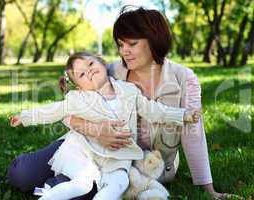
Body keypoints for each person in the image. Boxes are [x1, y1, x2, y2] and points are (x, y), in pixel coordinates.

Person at [61, 6, 240, 200]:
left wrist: (209, 190)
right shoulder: (111, 72)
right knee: (26, 174)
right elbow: (69, 112)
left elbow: (193, 134)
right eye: (121, 45)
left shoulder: (184, 78)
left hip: (147, 169)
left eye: (132, 44)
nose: (124, 51)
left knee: (77, 191)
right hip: (98, 155)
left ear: (154, 40)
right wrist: (94, 127)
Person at [9, 52, 200, 200]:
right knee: (84, 183)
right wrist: (24, 117)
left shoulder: (129, 91)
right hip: (83, 152)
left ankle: (59, 186)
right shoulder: (78, 98)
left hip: (117, 157)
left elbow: (155, 110)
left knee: (119, 182)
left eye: (91, 64)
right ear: (79, 86)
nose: (89, 70)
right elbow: (52, 110)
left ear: (101, 62)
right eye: (82, 74)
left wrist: (183, 115)